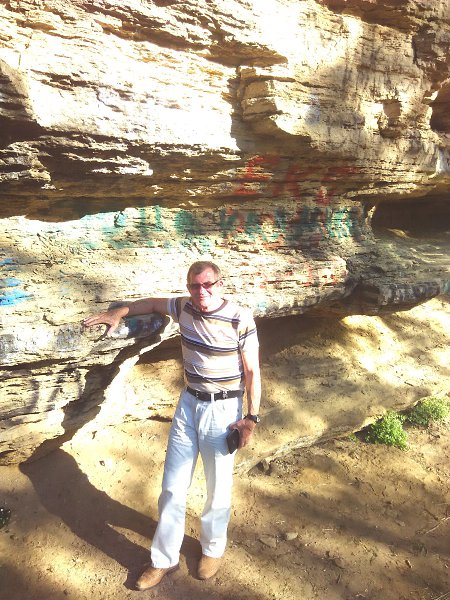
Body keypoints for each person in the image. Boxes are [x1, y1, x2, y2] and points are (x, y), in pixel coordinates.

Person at [83, 260, 261, 590]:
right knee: (172, 487)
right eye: (195, 285)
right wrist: (119, 312)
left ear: (220, 284)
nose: (201, 291)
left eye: (208, 284)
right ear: (189, 287)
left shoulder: (240, 317)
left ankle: (212, 549)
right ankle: (163, 559)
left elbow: (252, 372)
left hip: (224, 410)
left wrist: (250, 418)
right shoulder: (184, 307)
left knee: (218, 486)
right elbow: (152, 303)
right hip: (188, 404)